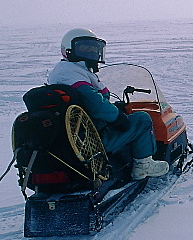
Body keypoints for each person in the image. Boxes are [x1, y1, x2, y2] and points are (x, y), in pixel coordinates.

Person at [48, 28, 170, 180]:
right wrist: (118, 118)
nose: (90, 52)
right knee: (142, 119)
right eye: (84, 47)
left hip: (77, 135)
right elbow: (95, 104)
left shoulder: (63, 71)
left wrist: (113, 109)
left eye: (93, 48)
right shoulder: (72, 74)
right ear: (69, 50)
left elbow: (86, 104)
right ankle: (143, 165)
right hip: (94, 139)